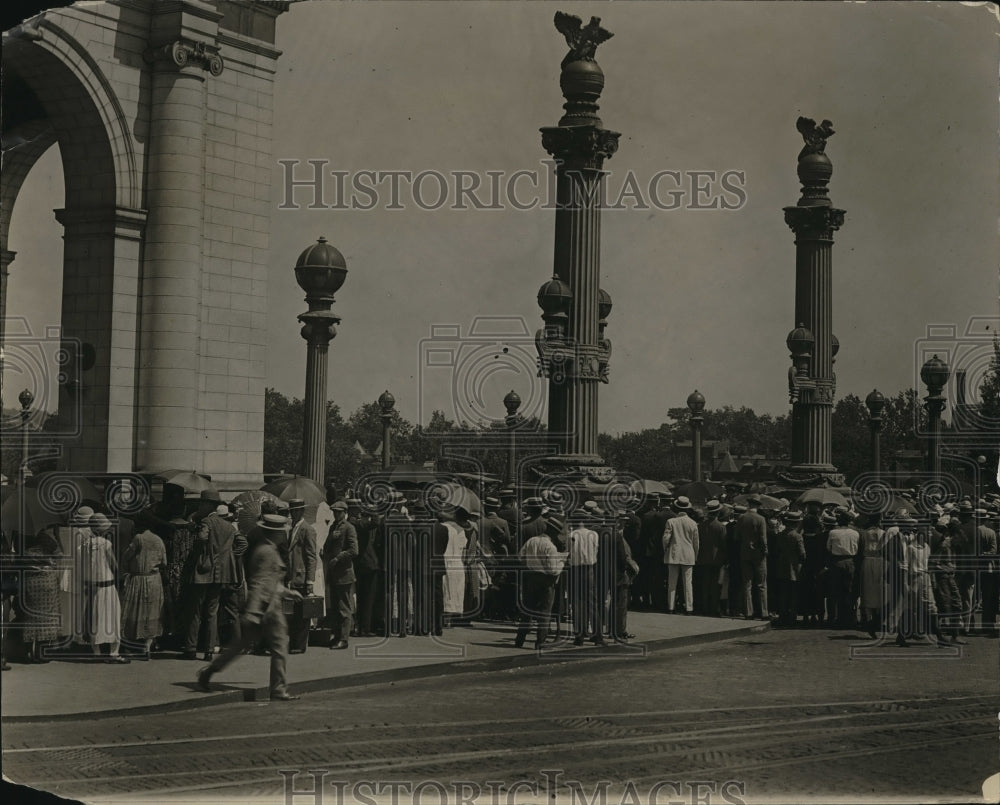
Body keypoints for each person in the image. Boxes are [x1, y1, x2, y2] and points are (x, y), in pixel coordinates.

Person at [197, 514, 301, 700]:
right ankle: (278, 689)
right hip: (267, 608)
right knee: (279, 647)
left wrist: (287, 593)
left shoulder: (266, 548)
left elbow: (268, 581)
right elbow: (260, 582)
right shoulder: (267, 552)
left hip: (263, 606)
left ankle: (209, 671)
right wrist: (254, 612)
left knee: (240, 646)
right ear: (275, 533)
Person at [183, 493, 241, 661]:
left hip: (203, 571)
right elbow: (242, 543)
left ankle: (191, 648)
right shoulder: (229, 526)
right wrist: (227, 557)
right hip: (220, 573)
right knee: (212, 612)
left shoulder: (207, 522)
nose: (200, 506)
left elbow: (202, 537)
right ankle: (209, 650)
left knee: (195, 611)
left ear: (209, 505)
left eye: (202, 503)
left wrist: (204, 551)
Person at [79, 513, 129, 663]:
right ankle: (114, 653)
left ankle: (96, 653)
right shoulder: (106, 544)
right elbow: (114, 564)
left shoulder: (85, 544)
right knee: (112, 618)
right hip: (107, 586)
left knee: (95, 618)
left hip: (94, 586)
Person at [514, 514, 567, 650]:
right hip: (545, 581)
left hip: (531, 577)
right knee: (544, 612)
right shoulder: (550, 547)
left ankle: (519, 639)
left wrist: (531, 564)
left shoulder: (531, 541)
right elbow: (552, 569)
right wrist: (562, 563)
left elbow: (520, 556)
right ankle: (540, 641)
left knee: (527, 610)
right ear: (554, 532)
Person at [120, 510, 168, 659]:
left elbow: (126, 556)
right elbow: (164, 562)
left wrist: (127, 569)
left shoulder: (138, 538)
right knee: (152, 612)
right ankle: (147, 647)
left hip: (138, 579)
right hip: (154, 580)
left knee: (132, 611)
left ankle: (128, 644)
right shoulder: (159, 539)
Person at [20, 526, 63, 662]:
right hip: (46, 581)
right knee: (47, 617)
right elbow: (60, 555)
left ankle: (27, 652)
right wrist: (57, 535)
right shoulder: (46, 539)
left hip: (29, 581)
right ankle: (40, 653)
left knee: (31, 616)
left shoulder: (20, 538)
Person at [322, 501, 358, 649]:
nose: (336, 514)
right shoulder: (333, 527)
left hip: (344, 573)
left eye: (338, 512)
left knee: (344, 607)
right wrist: (330, 539)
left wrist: (338, 558)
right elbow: (326, 546)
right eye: (334, 512)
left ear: (345, 512)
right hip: (334, 573)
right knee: (336, 608)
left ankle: (344, 638)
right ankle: (337, 635)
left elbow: (354, 550)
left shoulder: (349, 528)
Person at [285, 499, 318, 653]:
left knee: (302, 614)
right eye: (292, 510)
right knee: (294, 613)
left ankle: (299, 645)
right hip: (293, 575)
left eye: (296, 510)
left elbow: (312, 556)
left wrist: (310, 580)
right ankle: (294, 643)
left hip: (302, 576)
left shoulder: (307, 529)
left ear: (301, 511)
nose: (293, 513)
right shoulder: (293, 528)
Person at [567, 509, 601, 645]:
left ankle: (579, 635)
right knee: (592, 602)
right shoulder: (594, 534)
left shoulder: (571, 534)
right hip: (590, 568)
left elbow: (568, 553)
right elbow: (596, 551)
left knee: (577, 603)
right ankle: (597, 635)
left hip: (575, 569)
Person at [663, 496, 699, 615]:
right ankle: (689, 608)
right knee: (688, 583)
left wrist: (666, 549)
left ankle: (670, 607)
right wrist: (695, 555)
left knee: (672, 582)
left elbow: (666, 538)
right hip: (688, 555)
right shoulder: (693, 523)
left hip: (674, 554)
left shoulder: (671, 521)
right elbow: (696, 542)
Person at [772, 510, 806, 628]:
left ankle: (782, 616)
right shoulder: (797, 536)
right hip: (795, 568)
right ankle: (792, 617)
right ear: (796, 523)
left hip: (782, 567)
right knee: (794, 594)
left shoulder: (780, 535)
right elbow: (802, 554)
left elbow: (776, 551)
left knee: (783, 593)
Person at [825, 508, 859, 627]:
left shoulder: (833, 532)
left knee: (834, 591)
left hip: (836, 561)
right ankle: (849, 617)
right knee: (849, 591)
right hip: (850, 561)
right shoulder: (855, 533)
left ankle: (833, 617)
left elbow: (828, 548)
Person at [352, 499, 381, 637]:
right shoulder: (358, 523)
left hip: (359, 564)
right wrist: (373, 510)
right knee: (368, 598)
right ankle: (365, 628)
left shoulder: (351, 522)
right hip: (368, 564)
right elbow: (375, 522)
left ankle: (360, 626)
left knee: (361, 597)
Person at [737, 496, 769, 620]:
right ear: (758, 506)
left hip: (745, 553)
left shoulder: (741, 518)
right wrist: (765, 551)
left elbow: (737, 536)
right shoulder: (761, 519)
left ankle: (748, 612)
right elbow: (763, 538)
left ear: (749, 504)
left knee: (747, 584)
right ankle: (764, 612)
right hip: (759, 555)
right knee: (761, 584)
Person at [856, 512, 887, 639]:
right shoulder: (883, 533)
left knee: (867, 589)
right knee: (879, 589)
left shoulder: (864, 533)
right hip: (879, 561)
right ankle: (876, 619)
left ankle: (868, 618)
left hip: (867, 561)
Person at [695, 499, 726, 616]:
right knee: (715, 586)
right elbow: (723, 544)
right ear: (718, 512)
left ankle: (704, 607)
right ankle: (714, 609)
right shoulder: (721, 527)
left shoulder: (701, 526)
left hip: (702, 559)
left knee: (704, 585)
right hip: (716, 560)